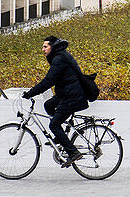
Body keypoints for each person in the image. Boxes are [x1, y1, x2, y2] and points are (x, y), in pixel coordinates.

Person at [22, 36, 88, 165]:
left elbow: (48, 81)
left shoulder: (59, 59)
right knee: (48, 105)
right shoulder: (59, 56)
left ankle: (73, 153)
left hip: (72, 96)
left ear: (52, 47)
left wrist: (31, 93)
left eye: (45, 46)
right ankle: (60, 136)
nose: (43, 49)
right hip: (67, 93)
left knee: (54, 125)